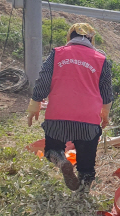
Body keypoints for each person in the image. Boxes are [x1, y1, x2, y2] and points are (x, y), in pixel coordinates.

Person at [27, 23, 113, 192]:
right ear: (91, 39)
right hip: (88, 118)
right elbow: (107, 92)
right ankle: (83, 191)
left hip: (58, 114)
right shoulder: (101, 59)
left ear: (70, 36)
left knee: (52, 149)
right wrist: (105, 114)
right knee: (86, 162)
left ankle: (61, 161)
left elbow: (43, 80)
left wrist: (34, 105)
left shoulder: (57, 53)